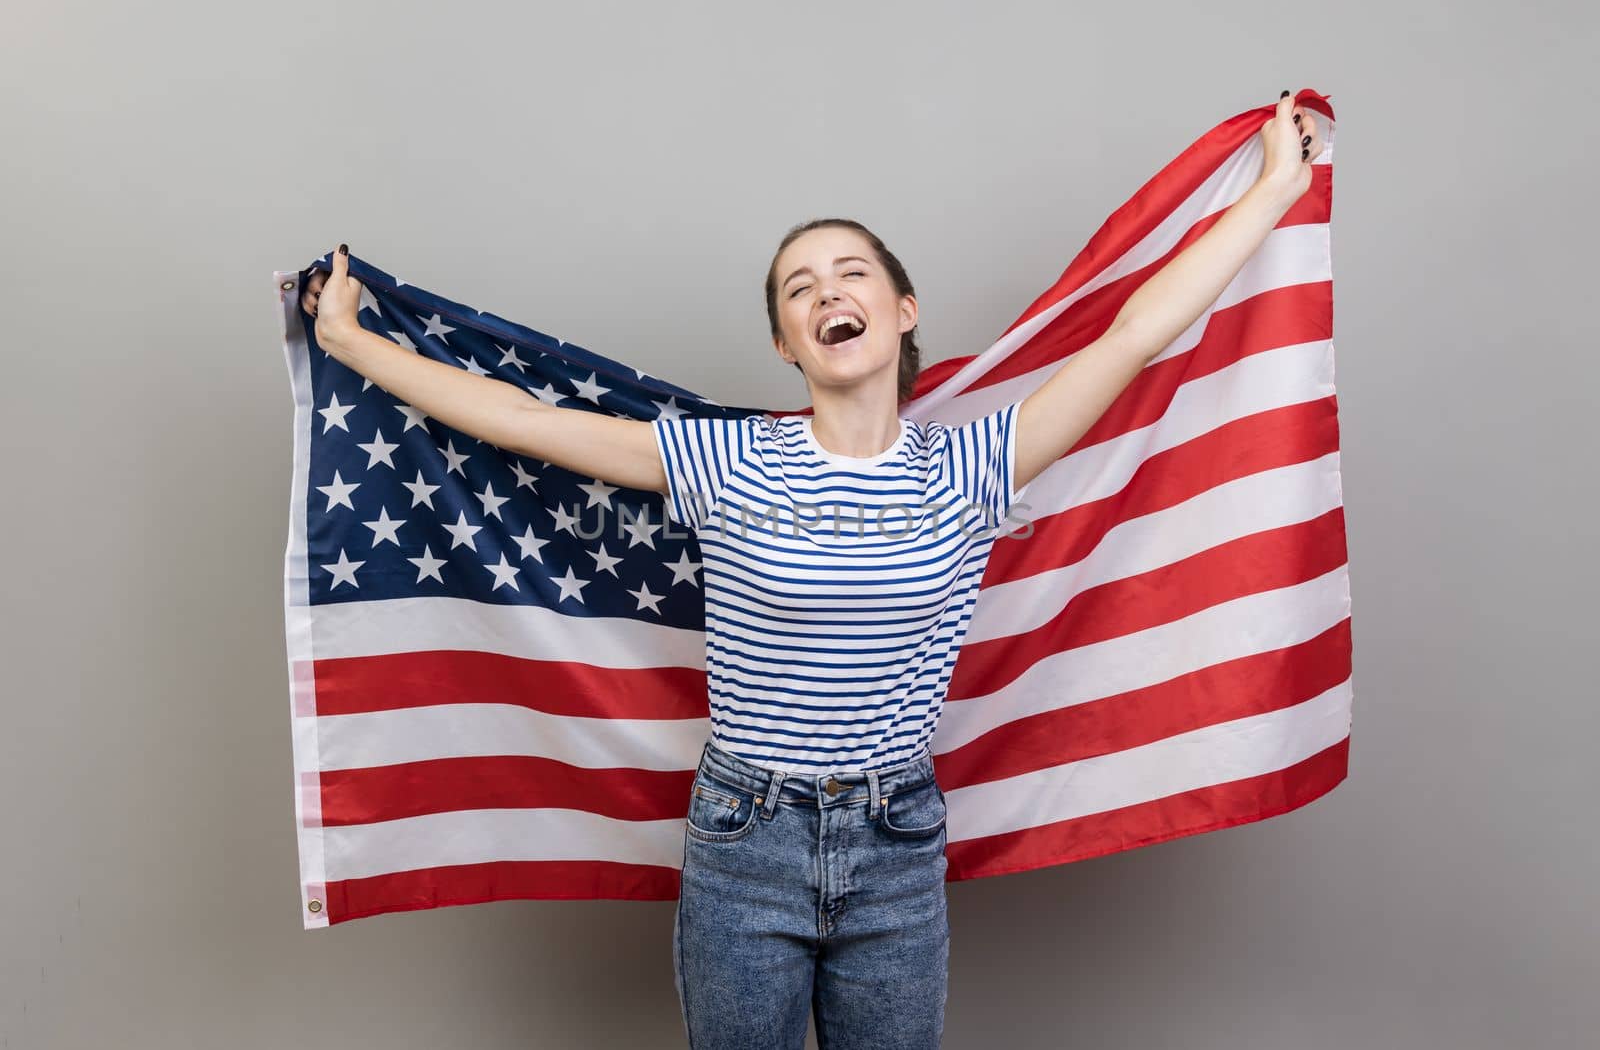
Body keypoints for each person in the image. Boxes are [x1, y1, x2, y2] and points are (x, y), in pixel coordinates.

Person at [310, 91, 1321, 1049]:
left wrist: (1272, 188)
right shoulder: (726, 458)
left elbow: (1137, 330)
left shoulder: (973, 466)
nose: (827, 291)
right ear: (787, 341)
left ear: (901, 309)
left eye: (850, 273)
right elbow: (527, 421)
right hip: (745, 838)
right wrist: (350, 341)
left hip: (896, 838)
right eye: (800, 288)